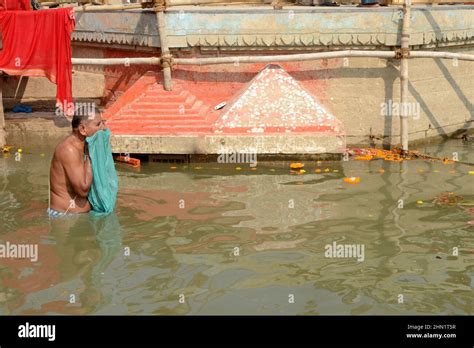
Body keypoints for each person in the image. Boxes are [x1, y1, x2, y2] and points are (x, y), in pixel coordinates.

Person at [48, 107, 105, 217]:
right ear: (83, 129)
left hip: (80, 217)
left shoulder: (84, 144)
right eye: (98, 125)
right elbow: (82, 190)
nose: (103, 128)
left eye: (103, 123)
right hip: (65, 218)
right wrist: (89, 156)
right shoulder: (68, 150)